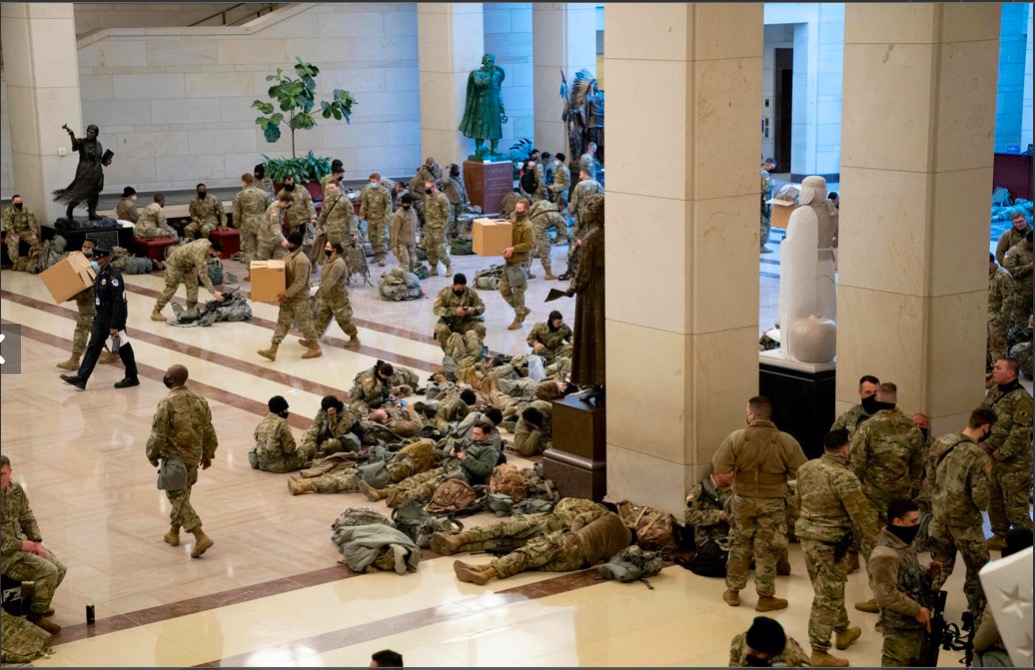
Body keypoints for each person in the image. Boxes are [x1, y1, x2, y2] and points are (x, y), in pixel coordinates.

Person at [712, 395, 807, 612]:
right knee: (767, 548)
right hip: (773, 503)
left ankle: (733, 592)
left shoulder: (737, 438)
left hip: (742, 500)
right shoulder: (786, 441)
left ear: (752, 414)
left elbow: (720, 466)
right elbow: (801, 472)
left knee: (739, 544)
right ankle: (765, 597)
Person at [794, 429, 878, 667]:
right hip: (831, 543)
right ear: (845, 449)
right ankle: (819, 651)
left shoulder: (806, 468)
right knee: (827, 596)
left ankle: (842, 630)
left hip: (807, 538)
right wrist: (878, 542)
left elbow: (797, 502)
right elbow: (861, 516)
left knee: (828, 588)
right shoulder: (845, 477)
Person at [848, 381, 924, 612]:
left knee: (873, 546)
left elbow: (856, 464)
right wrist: (911, 488)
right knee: (902, 544)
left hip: (872, 497)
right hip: (901, 499)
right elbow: (918, 464)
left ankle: (879, 597)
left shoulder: (868, 427)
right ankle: (905, 590)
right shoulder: (912, 427)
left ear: (877, 399)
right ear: (896, 400)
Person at [927, 407, 996, 614]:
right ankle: (977, 615)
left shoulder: (941, 442)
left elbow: (930, 477)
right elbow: (980, 499)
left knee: (939, 566)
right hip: (966, 527)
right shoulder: (979, 456)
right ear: (986, 428)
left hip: (939, 520)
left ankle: (922, 605)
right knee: (978, 571)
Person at [146, 364, 219, 558]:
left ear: (171, 379)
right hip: (193, 457)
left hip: (174, 458)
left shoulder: (167, 403)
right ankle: (173, 532)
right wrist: (208, 453)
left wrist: (152, 454)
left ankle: (200, 535)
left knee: (176, 496)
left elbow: (158, 433)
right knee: (183, 495)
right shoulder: (200, 400)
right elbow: (208, 429)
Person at [452, 509, 632, 585]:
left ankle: (486, 573)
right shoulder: (622, 548)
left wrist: (574, 535)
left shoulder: (612, 518)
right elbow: (607, 562)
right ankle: (481, 568)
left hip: (573, 542)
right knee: (529, 562)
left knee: (527, 554)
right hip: (579, 562)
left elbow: (580, 518)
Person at [868, 498, 943, 668]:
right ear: (897, 522)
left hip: (916, 625)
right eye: (913, 521)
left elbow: (907, 576)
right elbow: (885, 594)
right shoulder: (885, 554)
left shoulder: (905, 543)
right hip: (899, 629)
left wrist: (927, 574)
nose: (918, 525)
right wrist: (917, 610)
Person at [0, 455, 67, 634]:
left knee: (60, 569)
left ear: (10, 472)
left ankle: (35, 604)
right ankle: (35, 616)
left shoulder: (16, 490)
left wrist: (36, 542)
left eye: (2, 474)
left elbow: (27, 517)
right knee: (49, 572)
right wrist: (20, 544)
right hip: (5, 555)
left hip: (24, 545)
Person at [360, 423, 499, 507]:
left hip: (458, 476)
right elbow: (445, 449)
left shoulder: (490, 451)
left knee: (426, 487)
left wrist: (465, 458)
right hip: (446, 467)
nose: (474, 436)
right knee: (416, 479)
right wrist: (450, 452)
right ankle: (381, 493)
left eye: (478, 434)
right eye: (473, 433)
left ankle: (399, 499)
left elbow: (483, 470)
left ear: (487, 435)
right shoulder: (467, 441)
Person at [59, 247, 140, 389]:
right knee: (94, 346)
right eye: (96, 258)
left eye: (100, 258)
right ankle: (82, 378)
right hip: (101, 317)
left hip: (113, 318)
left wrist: (114, 325)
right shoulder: (99, 274)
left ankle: (132, 376)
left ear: (107, 258)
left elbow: (118, 302)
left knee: (123, 348)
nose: (97, 261)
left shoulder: (114, 277)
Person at [980, 357, 1034, 550]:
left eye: (998, 368)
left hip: (1014, 463)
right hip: (993, 459)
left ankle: (1026, 541)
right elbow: (983, 414)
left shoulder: (1022, 399)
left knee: (1015, 504)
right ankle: (999, 535)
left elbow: (1020, 433)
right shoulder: (995, 391)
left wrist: (1000, 453)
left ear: (1010, 373)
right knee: (995, 500)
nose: (993, 370)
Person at [432, 497, 609, 556]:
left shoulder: (587, 506)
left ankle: (458, 539)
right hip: (553, 538)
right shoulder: (602, 521)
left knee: (503, 528)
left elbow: (561, 504)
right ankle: (459, 547)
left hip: (545, 522)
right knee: (505, 543)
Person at [972, 528, 1034, 666]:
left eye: (1005, 545)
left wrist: (977, 645)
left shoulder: (1007, 581)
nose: (1001, 548)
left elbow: (992, 624)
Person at [258, 230, 322, 361]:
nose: (288, 244)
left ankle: (315, 347)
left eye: (290, 242)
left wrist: (286, 294)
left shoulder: (302, 260)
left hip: (299, 297)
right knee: (282, 322)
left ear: (297, 244)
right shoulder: (289, 255)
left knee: (305, 323)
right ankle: (273, 349)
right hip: (288, 296)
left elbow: (300, 282)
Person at [55, 240, 119, 371]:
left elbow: (88, 288)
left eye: (89, 247)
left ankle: (75, 359)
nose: (85, 248)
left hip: (91, 304)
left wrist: (69, 294)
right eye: (84, 246)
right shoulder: (78, 260)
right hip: (88, 304)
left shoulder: (96, 265)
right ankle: (115, 352)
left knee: (82, 329)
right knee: (100, 330)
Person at [150, 239, 224, 321]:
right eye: (216, 254)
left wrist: (195, 266)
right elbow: (204, 276)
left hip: (187, 264)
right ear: (212, 250)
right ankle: (156, 311)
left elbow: (193, 253)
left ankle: (190, 310)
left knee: (193, 285)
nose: (215, 256)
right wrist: (213, 292)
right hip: (175, 264)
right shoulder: (201, 253)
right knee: (171, 287)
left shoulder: (207, 243)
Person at [53, 123, 111, 221]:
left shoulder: (98, 144)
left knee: (94, 193)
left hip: (96, 172)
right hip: (84, 171)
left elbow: (99, 159)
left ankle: (92, 212)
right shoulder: (82, 142)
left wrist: (107, 161)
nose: (89, 134)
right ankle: (70, 208)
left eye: (92, 132)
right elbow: (75, 146)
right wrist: (72, 135)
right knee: (81, 192)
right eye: (88, 131)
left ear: (96, 134)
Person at [314, 240, 360, 350]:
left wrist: (318, 293)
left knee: (343, 320)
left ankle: (354, 338)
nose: (325, 248)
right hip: (327, 296)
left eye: (328, 247)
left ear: (334, 250)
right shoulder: (328, 260)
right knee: (320, 318)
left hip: (338, 297)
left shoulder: (338, 264)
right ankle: (313, 340)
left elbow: (331, 281)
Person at [458, 53, 507, 157]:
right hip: (482, 102)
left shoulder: (497, 73)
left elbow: (498, 89)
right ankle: (479, 149)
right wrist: (490, 75)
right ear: (484, 62)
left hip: (494, 102)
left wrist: (501, 103)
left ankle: (494, 149)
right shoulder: (477, 74)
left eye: (492, 61)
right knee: (480, 124)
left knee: (495, 125)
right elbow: (479, 84)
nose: (490, 63)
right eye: (488, 61)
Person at [251, 396, 310, 473]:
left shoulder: (262, 421)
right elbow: (290, 450)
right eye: (285, 409)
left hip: (263, 464)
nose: (287, 411)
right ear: (280, 411)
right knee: (309, 447)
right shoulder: (282, 423)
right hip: (280, 466)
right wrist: (290, 434)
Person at [501, 198, 534, 330]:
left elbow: (529, 244)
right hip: (509, 262)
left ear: (526, 211)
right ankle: (522, 309)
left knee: (518, 291)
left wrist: (514, 249)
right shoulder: (512, 221)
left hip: (520, 263)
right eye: (516, 208)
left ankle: (518, 318)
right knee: (503, 288)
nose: (516, 211)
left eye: (519, 209)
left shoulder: (527, 226)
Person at [432, 273, 487, 354]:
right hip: (449, 322)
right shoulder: (444, 293)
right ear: (453, 285)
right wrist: (454, 311)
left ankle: (473, 351)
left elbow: (481, 307)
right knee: (441, 330)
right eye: (458, 289)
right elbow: (436, 309)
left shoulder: (470, 293)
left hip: (465, 322)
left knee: (480, 328)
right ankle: (450, 353)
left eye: (462, 289)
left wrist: (471, 310)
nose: (461, 291)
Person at [728, 616, 811, 668]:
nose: (747, 651)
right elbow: (734, 662)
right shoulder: (742, 639)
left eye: (754, 652)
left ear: (772, 654)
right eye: (749, 647)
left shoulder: (795, 657)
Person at [232, 173, 269, 272]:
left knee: (249, 250)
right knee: (262, 248)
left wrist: (236, 224)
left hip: (246, 225)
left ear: (244, 182)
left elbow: (236, 212)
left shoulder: (240, 195)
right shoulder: (263, 193)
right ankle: (263, 271)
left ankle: (252, 273)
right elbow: (269, 209)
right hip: (261, 224)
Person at [830, 375, 880, 440]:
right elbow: (831, 440)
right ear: (860, 393)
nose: (872, 396)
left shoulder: (887, 416)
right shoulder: (850, 415)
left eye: (876, 392)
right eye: (868, 392)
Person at [988, 252, 1015, 372]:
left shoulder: (1003, 276)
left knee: (998, 350)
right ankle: (991, 374)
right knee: (988, 349)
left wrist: (1000, 319)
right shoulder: (986, 275)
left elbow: (1009, 300)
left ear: (991, 263)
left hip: (997, 321)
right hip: (988, 319)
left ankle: (1001, 375)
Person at [360, 173, 394, 266]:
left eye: (374, 182)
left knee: (381, 238)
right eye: (371, 182)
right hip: (371, 219)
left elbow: (389, 205)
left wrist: (387, 218)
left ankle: (383, 256)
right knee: (372, 237)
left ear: (379, 181)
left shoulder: (385, 192)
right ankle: (377, 254)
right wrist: (362, 214)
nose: (372, 184)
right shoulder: (367, 190)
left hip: (381, 219)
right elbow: (364, 203)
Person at [1003, 229, 1033, 333]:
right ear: (1029, 242)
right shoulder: (1014, 251)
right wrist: (1028, 267)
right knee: (1021, 326)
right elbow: (1008, 272)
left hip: (1032, 293)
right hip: (1021, 295)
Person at [2, 195, 40, 272]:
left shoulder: (27, 210)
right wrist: (12, 235)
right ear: (13, 203)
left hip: (24, 232)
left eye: (20, 201)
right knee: (13, 245)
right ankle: (18, 263)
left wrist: (34, 233)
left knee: (35, 241)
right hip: (12, 232)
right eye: (17, 201)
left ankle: (36, 259)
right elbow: (7, 224)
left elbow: (32, 222)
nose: (19, 203)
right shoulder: (8, 211)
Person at [423, 179, 452, 276]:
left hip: (439, 228)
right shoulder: (427, 197)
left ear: (433, 187)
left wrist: (443, 229)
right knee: (430, 249)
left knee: (441, 249)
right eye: (425, 187)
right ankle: (433, 268)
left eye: (428, 188)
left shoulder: (441, 198)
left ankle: (448, 267)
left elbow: (447, 215)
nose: (426, 190)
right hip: (429, 228)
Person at [277, 176, 317, 242]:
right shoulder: (281, 194)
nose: (291, 185)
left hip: (305, 219)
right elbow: (280, 210)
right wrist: (282, 223)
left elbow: (309, 202)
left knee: (309, 241)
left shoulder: (301, 189)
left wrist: (312, 217)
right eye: (288, 184)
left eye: (292, 183)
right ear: (284, 182)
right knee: (296, 242)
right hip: (293, 223)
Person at [319, 182, 359, 248]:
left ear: (338, 188)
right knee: (332, 250)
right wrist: (318, 226)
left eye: (332, 187)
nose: (330, 190)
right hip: (331, 232)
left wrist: (354, 233)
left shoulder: (344, 200)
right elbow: (323, 214)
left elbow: (351, 217)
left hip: (342, 232)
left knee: (343, 250)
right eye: (329, 188)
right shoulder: (327, 200)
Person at [257, 193, 291, 261]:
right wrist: (283, 240)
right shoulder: (274, 209)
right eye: (287, 204)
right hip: (266, 238)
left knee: (278, 260)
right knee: (264, 261)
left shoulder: (281, 207)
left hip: (274, 237)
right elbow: (275, 227)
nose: (287, 206)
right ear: (283, 201)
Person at [390, 194, 418, 272]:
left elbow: (415, 226)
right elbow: (394, 231)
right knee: (405, 263)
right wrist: (394, 246)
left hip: (411, 241)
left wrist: (417, 238)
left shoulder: (413, 212)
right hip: (401, 243)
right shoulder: (398, 214)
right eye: (404, 203)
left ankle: (410, 276)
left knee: (413, 261)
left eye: (407, 204)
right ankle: (405, 277)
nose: (405, 205)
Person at [442, 163, 469, 241]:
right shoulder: (449, 180)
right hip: (451, 204)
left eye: (458, 170)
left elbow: (464, 190)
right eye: (456, 170)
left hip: (460, 203)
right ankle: (449, 236)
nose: (458, 172)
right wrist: (447, 170)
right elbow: (444, 180)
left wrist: (467, 201)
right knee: (450, 221)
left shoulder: (459, 179)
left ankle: (457, 235)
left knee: (459, 220)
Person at [760, 158, 776, 253]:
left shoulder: (761, 171)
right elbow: (767, 187)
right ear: (769, 164)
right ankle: (761, 244)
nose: (773, 168)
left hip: (763, 201)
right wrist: (773, 182)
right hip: (765, 202)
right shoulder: (764, 173)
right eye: (772, 166)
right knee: (765, 223)